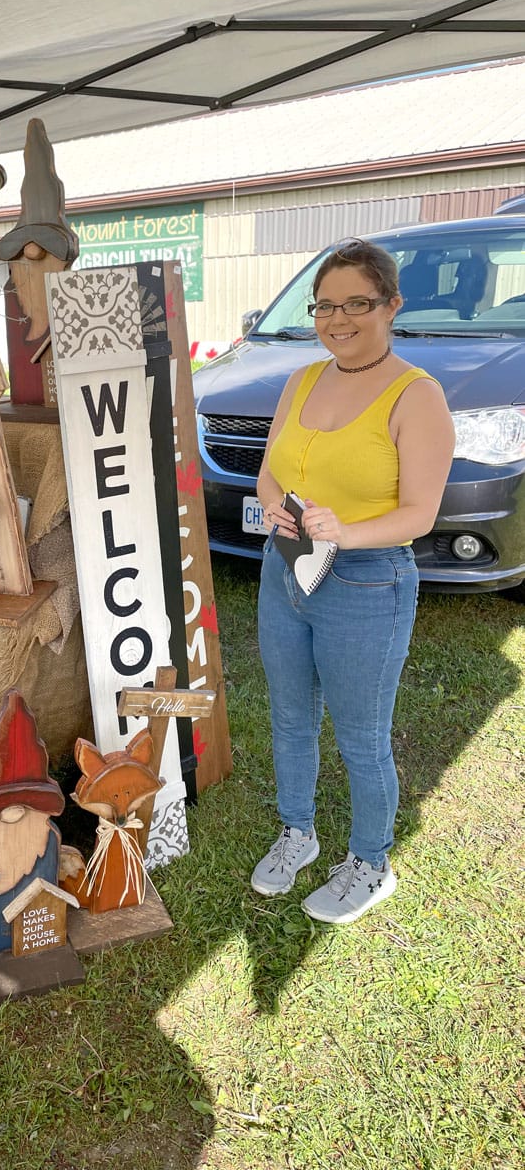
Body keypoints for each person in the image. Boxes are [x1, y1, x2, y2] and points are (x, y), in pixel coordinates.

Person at [250, 238, 455, 923]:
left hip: (368, 583)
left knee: (361, 735)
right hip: (286, 570)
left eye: (356, 304)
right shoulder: (302, 380)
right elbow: (271, 469)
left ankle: (371, 861)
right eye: (325, 306)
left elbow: (420, 515)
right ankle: (297, 834)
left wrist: (346, 532)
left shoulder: (415, 396)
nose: (338, 319)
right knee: (290, 716)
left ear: (391, 305)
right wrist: (278, 502)